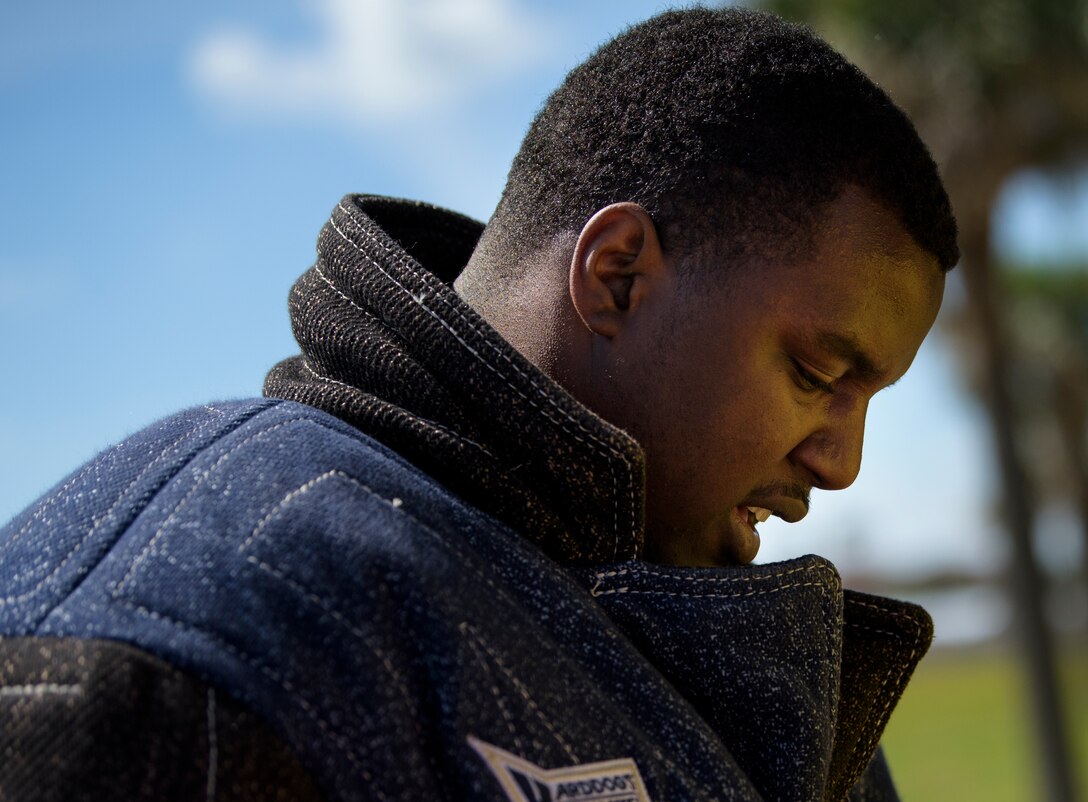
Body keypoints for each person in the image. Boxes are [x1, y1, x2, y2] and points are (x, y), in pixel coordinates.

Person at [0, 7, 957, 802]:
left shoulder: (720, 629)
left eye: (870, 399)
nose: (842, 464)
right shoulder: (173, 636)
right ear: (617, 276)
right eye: (817, 376)